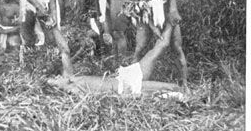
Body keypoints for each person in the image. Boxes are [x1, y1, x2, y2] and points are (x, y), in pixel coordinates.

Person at [48, 22, 185, 98]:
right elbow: (106, 97)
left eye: (56, 75)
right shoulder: (75, 90)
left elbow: (64, 51)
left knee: (157, 49)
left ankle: (172, 18)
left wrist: (53, 26)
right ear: (59, 89)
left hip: (125, 76)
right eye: (56, 79)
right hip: (128, 87)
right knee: (171, 88)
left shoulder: (70, 77)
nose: (58, 76)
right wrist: (133, 96)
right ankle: (196, 98)